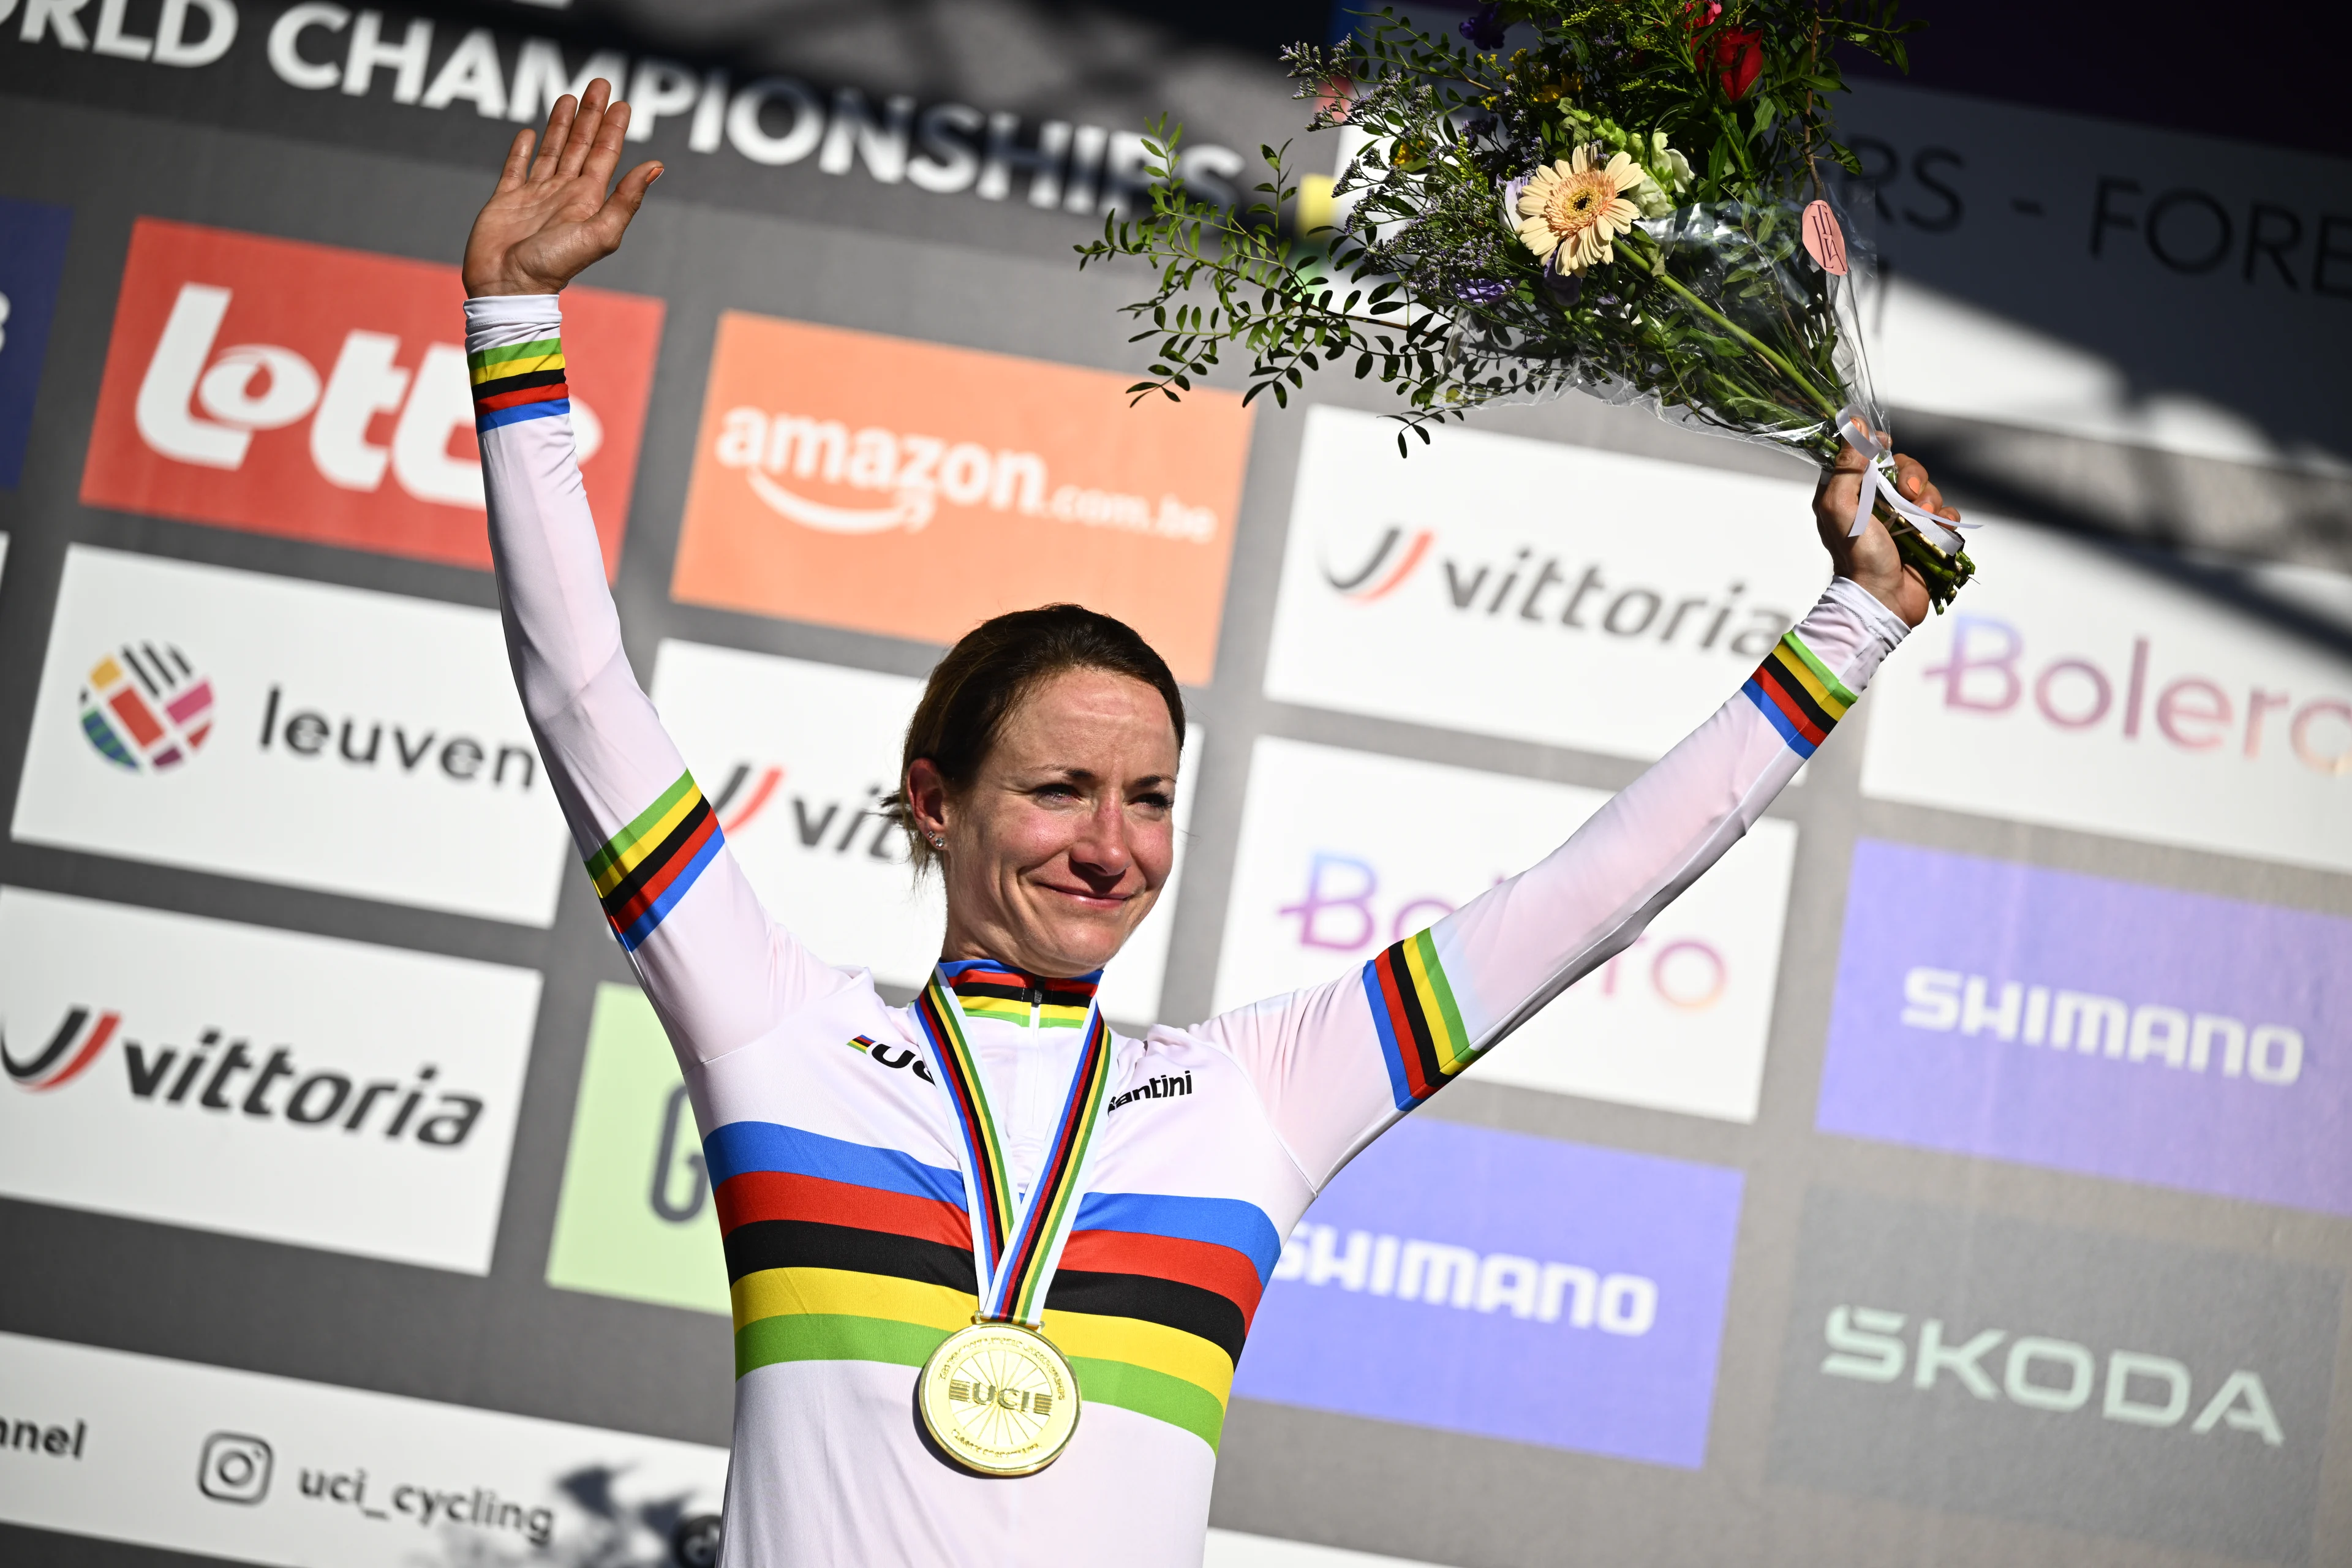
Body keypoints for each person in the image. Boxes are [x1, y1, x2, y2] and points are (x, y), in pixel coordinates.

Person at [463, 80, 1955, 1568]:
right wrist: (517, 336)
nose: (1111, 846)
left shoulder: (1256, 1094)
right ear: (936, 797)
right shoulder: (775, 1032)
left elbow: (1591, 893)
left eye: (1151, 799)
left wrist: (1851, 625)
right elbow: (586, 700)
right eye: (1058, 789)